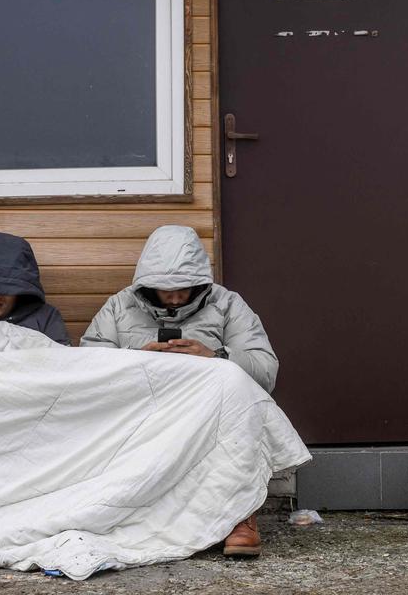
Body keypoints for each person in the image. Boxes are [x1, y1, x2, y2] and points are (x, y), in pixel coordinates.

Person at [81, 225, 277, 556]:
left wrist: (216, 357)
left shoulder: (227, 304)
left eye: (183, 289)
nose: (174, 298)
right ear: (147, 284)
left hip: (208, 413)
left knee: (241, 397)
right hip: (141, 412)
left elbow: (265, 369)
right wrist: (134, 361)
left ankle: (241, 516)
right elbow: (87, 370)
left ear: (200, 281)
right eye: (164, 289)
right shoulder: (118, 307)